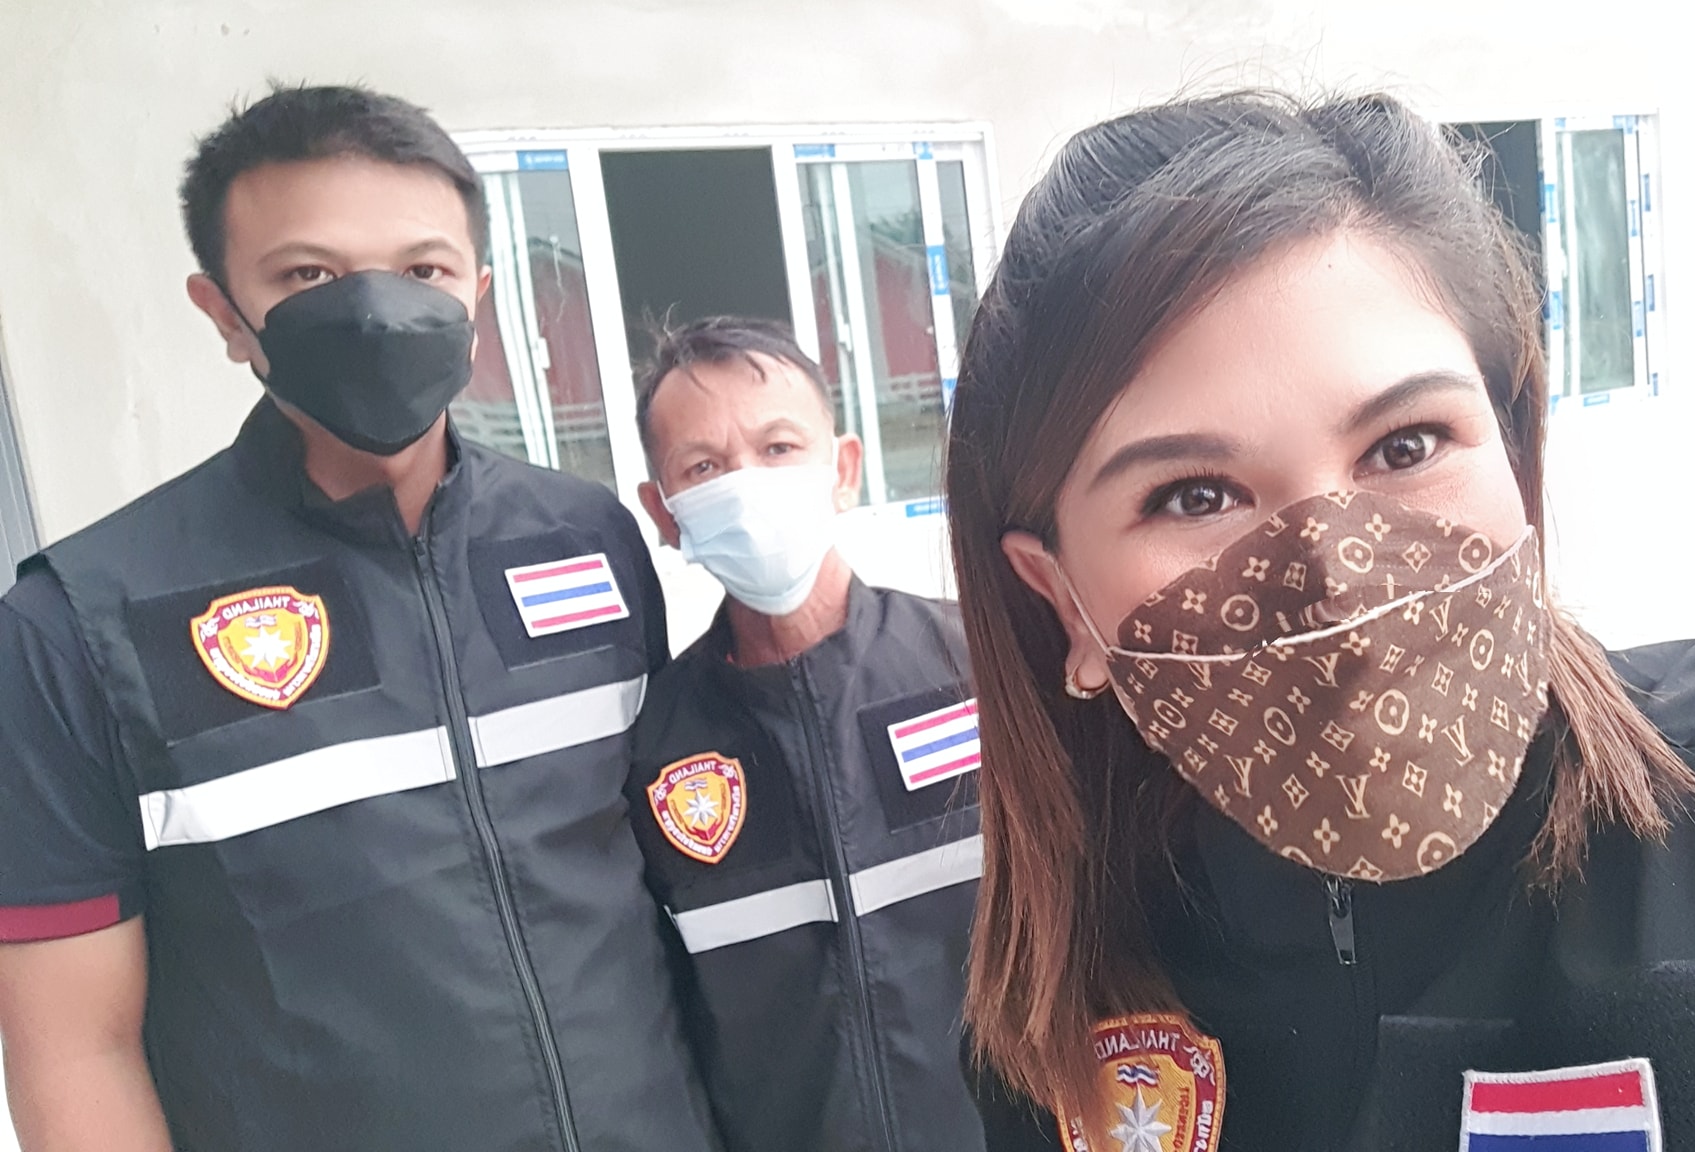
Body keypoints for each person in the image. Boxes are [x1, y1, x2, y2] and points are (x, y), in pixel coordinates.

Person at [943, 91, 1695, 1152]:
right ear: (1061, 597)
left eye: (1406, 444)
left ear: (1516, 455)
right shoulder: (1060, 1024)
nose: (1337, 579)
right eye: (1194, 496)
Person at [0, 85, 721, 1151]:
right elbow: (75, 1050)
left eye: (423, 270)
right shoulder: (78, 628)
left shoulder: (588, 541)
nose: (378, 311)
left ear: (476, 295)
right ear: (224, 313)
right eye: (309, 275)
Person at [627, 316, 985, 1152]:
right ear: (664, 512)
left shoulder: (976, 669)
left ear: (843, 469)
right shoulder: (650, 752)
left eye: (779, 447)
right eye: (704, 467)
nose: (746, 484)